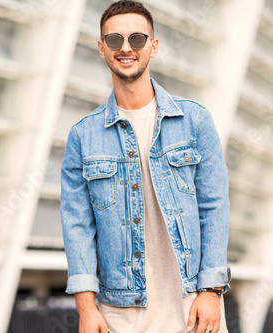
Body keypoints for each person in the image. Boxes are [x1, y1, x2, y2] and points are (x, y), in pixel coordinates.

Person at [60, 1, 231, 332]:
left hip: (192, 305)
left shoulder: (195, 121)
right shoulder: (83, 136)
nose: (126, 48)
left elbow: (214, 207)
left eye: (137, 39)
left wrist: (211, 291)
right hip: (120, 314)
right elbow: (77, 225)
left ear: (153, 46)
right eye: (114, 40)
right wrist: (86, 307)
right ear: (101, 48)